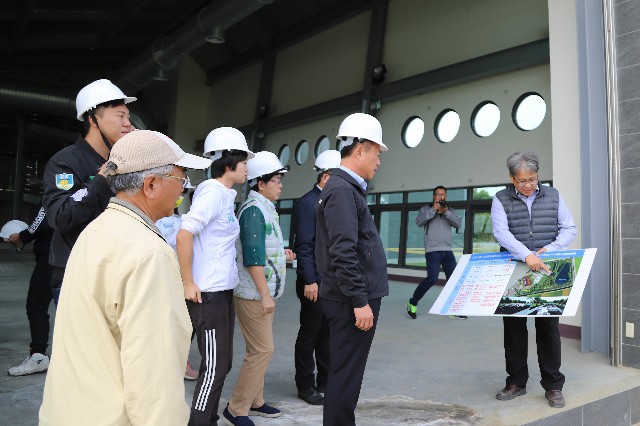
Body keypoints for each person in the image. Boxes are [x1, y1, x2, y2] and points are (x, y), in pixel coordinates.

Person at [39, 130, 211, 425]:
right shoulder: (149, 253)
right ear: (151, 184)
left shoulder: (95, 231)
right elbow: (153, 375)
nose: (184, 190)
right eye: (181, 180)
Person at [176, 127, 254, 426]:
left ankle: (208, 419)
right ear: (228, 161)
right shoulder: (212, 192)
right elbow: (185, 235)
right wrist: (188, 282)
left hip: (221, 290)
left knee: (222, 363)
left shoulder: (224, 194)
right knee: (214, 366)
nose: (248, 166)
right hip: (206, 293)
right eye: (243, 159)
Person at [315, 112, 389, 426]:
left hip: (348, 297)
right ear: (359, 149)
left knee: (346, 373)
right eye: (376, 152)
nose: (378, 161)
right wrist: (360, 301)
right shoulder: (342, 191)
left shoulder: (344, 188)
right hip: (350, 302)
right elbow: (343, 253)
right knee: (345, 375)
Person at [491, 151, 576, 409]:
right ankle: (516, 382)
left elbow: (569, 228)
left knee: (548, 330)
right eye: (522, 180)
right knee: (514, 330)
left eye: (533, 179)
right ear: (512, 178)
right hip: (514, 269)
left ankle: (553, 386)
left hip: (548, 270)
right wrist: (526, 255)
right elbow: (501, 233)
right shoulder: (500, 199)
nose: (528, 185)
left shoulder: (553, 195)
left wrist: (549, 250)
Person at [42, 78, 136, 305]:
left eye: (129, 118)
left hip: (118, 273)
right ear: (93, 119)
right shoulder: (64, 163)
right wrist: (101, 179)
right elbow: (61, 216)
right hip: (77, 275)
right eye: (120, 116)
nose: (128, 123)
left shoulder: (126, 161)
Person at [223, 151, 296, 426]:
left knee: (259, 349)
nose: (280, 185)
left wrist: (283, 254)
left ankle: (256, 400)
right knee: (261, 350)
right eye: (276, 180)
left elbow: (265, 250)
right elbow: (253, 258)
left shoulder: (264, 209)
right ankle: (237, 408)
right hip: (253, 294)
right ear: (260, 184)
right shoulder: (253, 211)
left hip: (262, 292)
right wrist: (265, 295)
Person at [292, 149, 340, 405]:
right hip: (314, 282)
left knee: (326, 334)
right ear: (325, 176)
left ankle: (325, 380)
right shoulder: (306, 203)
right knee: (309, 335)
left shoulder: (330, 201)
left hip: (330, 282)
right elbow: (305, 246)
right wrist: (310, 280)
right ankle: (305, 385)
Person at [155, 185, 200, 381]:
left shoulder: (183, 221)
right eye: (179, 192)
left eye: (183, 194)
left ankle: (180, 362)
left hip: (181, 280)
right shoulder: (155, 221)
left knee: (182, 324)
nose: (180, 196)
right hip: (161, 278)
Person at [5, 201, 54, 376]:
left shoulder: (59, 179)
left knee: (36, 306)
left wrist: (22, 237)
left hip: (51, 257)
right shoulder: (89, 183)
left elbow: (41, 221)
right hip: (74, 254)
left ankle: (38, 356)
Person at [407, 185, 465, 319]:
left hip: (447, 250)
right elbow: (419, 222)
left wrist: (446, 212)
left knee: (453, 280)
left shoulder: (451, 210)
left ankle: (452, 309)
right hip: (432, 250)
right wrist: (433, 210)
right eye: (438, 195)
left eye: (443, 194)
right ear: (434, 197)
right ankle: (412, 302)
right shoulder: (425, 209)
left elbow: (458, 224)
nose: (440, 197)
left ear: (446, 196)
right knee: (432, 278)